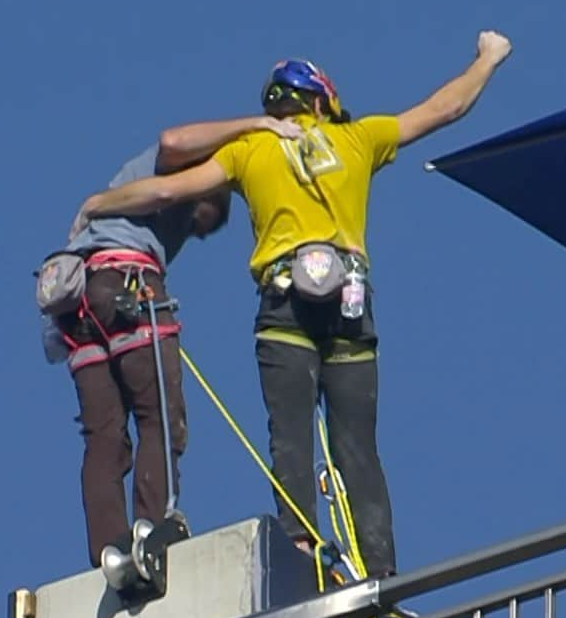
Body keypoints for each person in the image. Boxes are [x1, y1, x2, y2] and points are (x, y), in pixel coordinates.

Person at [69, 33, 513, 576]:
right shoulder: (358, 138)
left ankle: (300, 550)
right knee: (358, 448)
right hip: (349, 301)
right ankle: (380, 574)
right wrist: (488, 57)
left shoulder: (249, 149)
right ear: (323, 100)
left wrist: (97, 203)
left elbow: (164, 192)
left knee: (291, 436)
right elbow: (446, 107)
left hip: (284, 307)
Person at [46, 114, 303, 577]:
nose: (198, 228)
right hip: (126, 287)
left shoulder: (144, 209)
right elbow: (173, 141)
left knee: (104, 438)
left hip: (78, 304)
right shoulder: (170, 171)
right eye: (208, 216)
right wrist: (262, 127)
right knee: (162, 420)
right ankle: (152, 528)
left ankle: (107, 551)